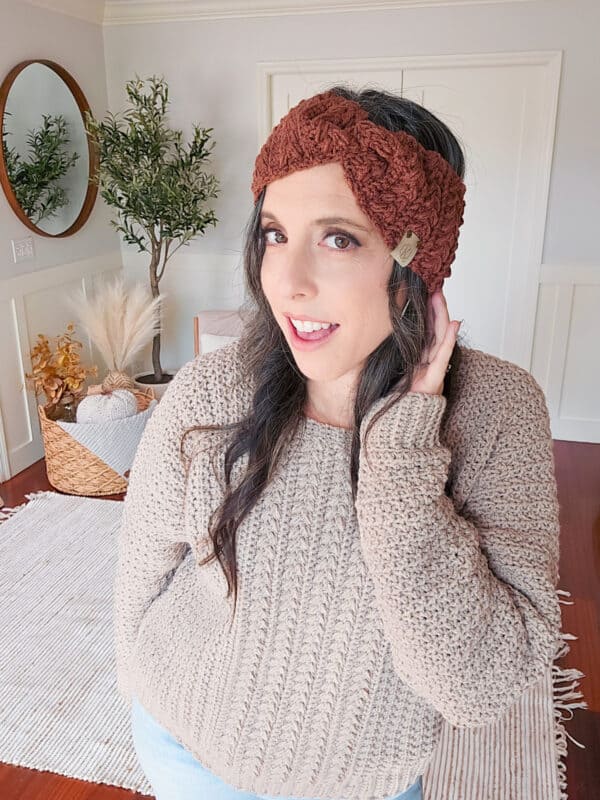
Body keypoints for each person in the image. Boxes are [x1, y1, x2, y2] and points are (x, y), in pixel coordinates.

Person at [113, 86, 562, 800]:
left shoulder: (497, 412)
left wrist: (403, 452)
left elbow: (479, 687)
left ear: (418, 264)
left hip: (365, 785)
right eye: (273, 234)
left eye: (339, 238)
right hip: (183, 752)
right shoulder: (209, 391)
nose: (286, 284)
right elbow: (142, 573)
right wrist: (139, 671)